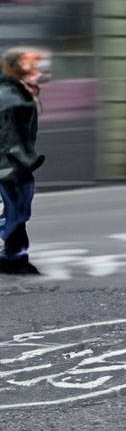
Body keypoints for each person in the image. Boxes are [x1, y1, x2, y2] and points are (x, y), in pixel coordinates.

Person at [0, 47, 46, 274]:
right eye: (28, 64)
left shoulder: (17, 91)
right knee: (15, 212)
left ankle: (15, 257)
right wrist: (21, 161)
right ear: (13, 67)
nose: (34, 69)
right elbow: (10, 137)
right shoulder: (9, 97)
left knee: (17, 212)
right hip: (10, 165)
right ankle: (15, 259)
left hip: (15, 164)